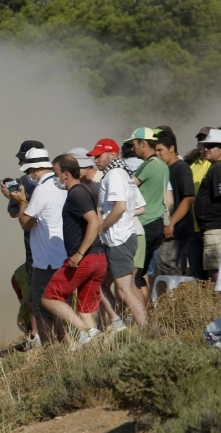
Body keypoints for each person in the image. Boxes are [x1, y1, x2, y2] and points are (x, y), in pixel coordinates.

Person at [3, 147, 67, 346]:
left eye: (28, 171)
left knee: (41, 306)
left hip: (46, 258)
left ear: (36, 170)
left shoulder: (42, 189)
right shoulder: (61, 186)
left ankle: (51, 351)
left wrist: (21, 201)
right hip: (60, 252)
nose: (28, 176)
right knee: (55, 302)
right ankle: (65, 345)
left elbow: (26, 222)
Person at [41, 155, 106, 347]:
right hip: (98, 258)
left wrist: (79, 253)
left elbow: (94, 222)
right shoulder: (84, 192)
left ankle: (87, 332)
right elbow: (98, 221)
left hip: (85, 259)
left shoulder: (76, 193)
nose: (55, 178)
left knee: (49, 298)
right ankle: (97, 351)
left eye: (56, 174)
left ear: (66, 174)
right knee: (85, 310)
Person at [88, 138, 147, 326]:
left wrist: (101, 227)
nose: (95, 160)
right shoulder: (124, 174)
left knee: (124, 291)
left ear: (112, 154)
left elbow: (120, 207)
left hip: (118, 239)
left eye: (99, 155)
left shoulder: (113, 174)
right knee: (100, 283)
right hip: (124, 236)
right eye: (94, 156)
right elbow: (139, 207)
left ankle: (146, 329)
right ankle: (119, 323)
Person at [6, 139, 45, 341]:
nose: (20, 162)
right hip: (54, 243)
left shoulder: (25, 182)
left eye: (22, 158)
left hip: (35, 243)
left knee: (34, 290)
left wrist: (17, 200)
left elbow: (16, 214)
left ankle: (37, 335)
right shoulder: (57, 179)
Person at [127, 127, 169, 296]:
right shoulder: (162, 164)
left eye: (134, 144)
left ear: (143, 143)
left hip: (145, 224)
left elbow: (128, 189)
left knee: (134, 276)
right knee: (140, 275)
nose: (132, 148)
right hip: (156, 223)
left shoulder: (149, 165)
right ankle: (144, 317)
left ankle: (139, 319)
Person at [194, 128, 221, 281]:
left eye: (211, 146)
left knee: (218, 272)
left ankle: (220, 304)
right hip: (220, 228)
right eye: (204, 146)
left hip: (218, 230)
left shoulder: (219, 167)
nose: (206, 149)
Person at [154, 130, 195, 276]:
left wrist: (171, 224)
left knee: (167, 265)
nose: (157, 154)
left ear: (172, 148)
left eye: (160, 150)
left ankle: (177, 297)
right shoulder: (164, 168)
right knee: (161, 267)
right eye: (155, 150)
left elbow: (189, 198)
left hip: (177, 229)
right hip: (168, 228)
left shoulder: (181, 168)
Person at [187, 127, 212, 279]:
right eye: (200, 140)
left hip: (209, 226)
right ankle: (201, 302)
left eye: (206, 140)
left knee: (214, 271)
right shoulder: (191, 166)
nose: (202, 143)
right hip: (193, 227)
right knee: (197, 273)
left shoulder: (216, 165)